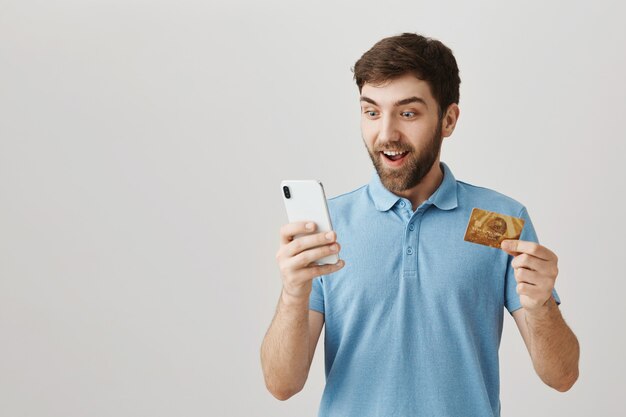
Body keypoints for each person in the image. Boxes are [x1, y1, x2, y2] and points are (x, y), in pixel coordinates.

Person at [260, 32, 579, 417]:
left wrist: (542, 305)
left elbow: (561, 377)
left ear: (448, 119)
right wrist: (294, 294)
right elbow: (281, 386)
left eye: (408, 113)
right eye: (371, 111)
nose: (386, 134)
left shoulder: (502, 222)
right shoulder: (328, 227)